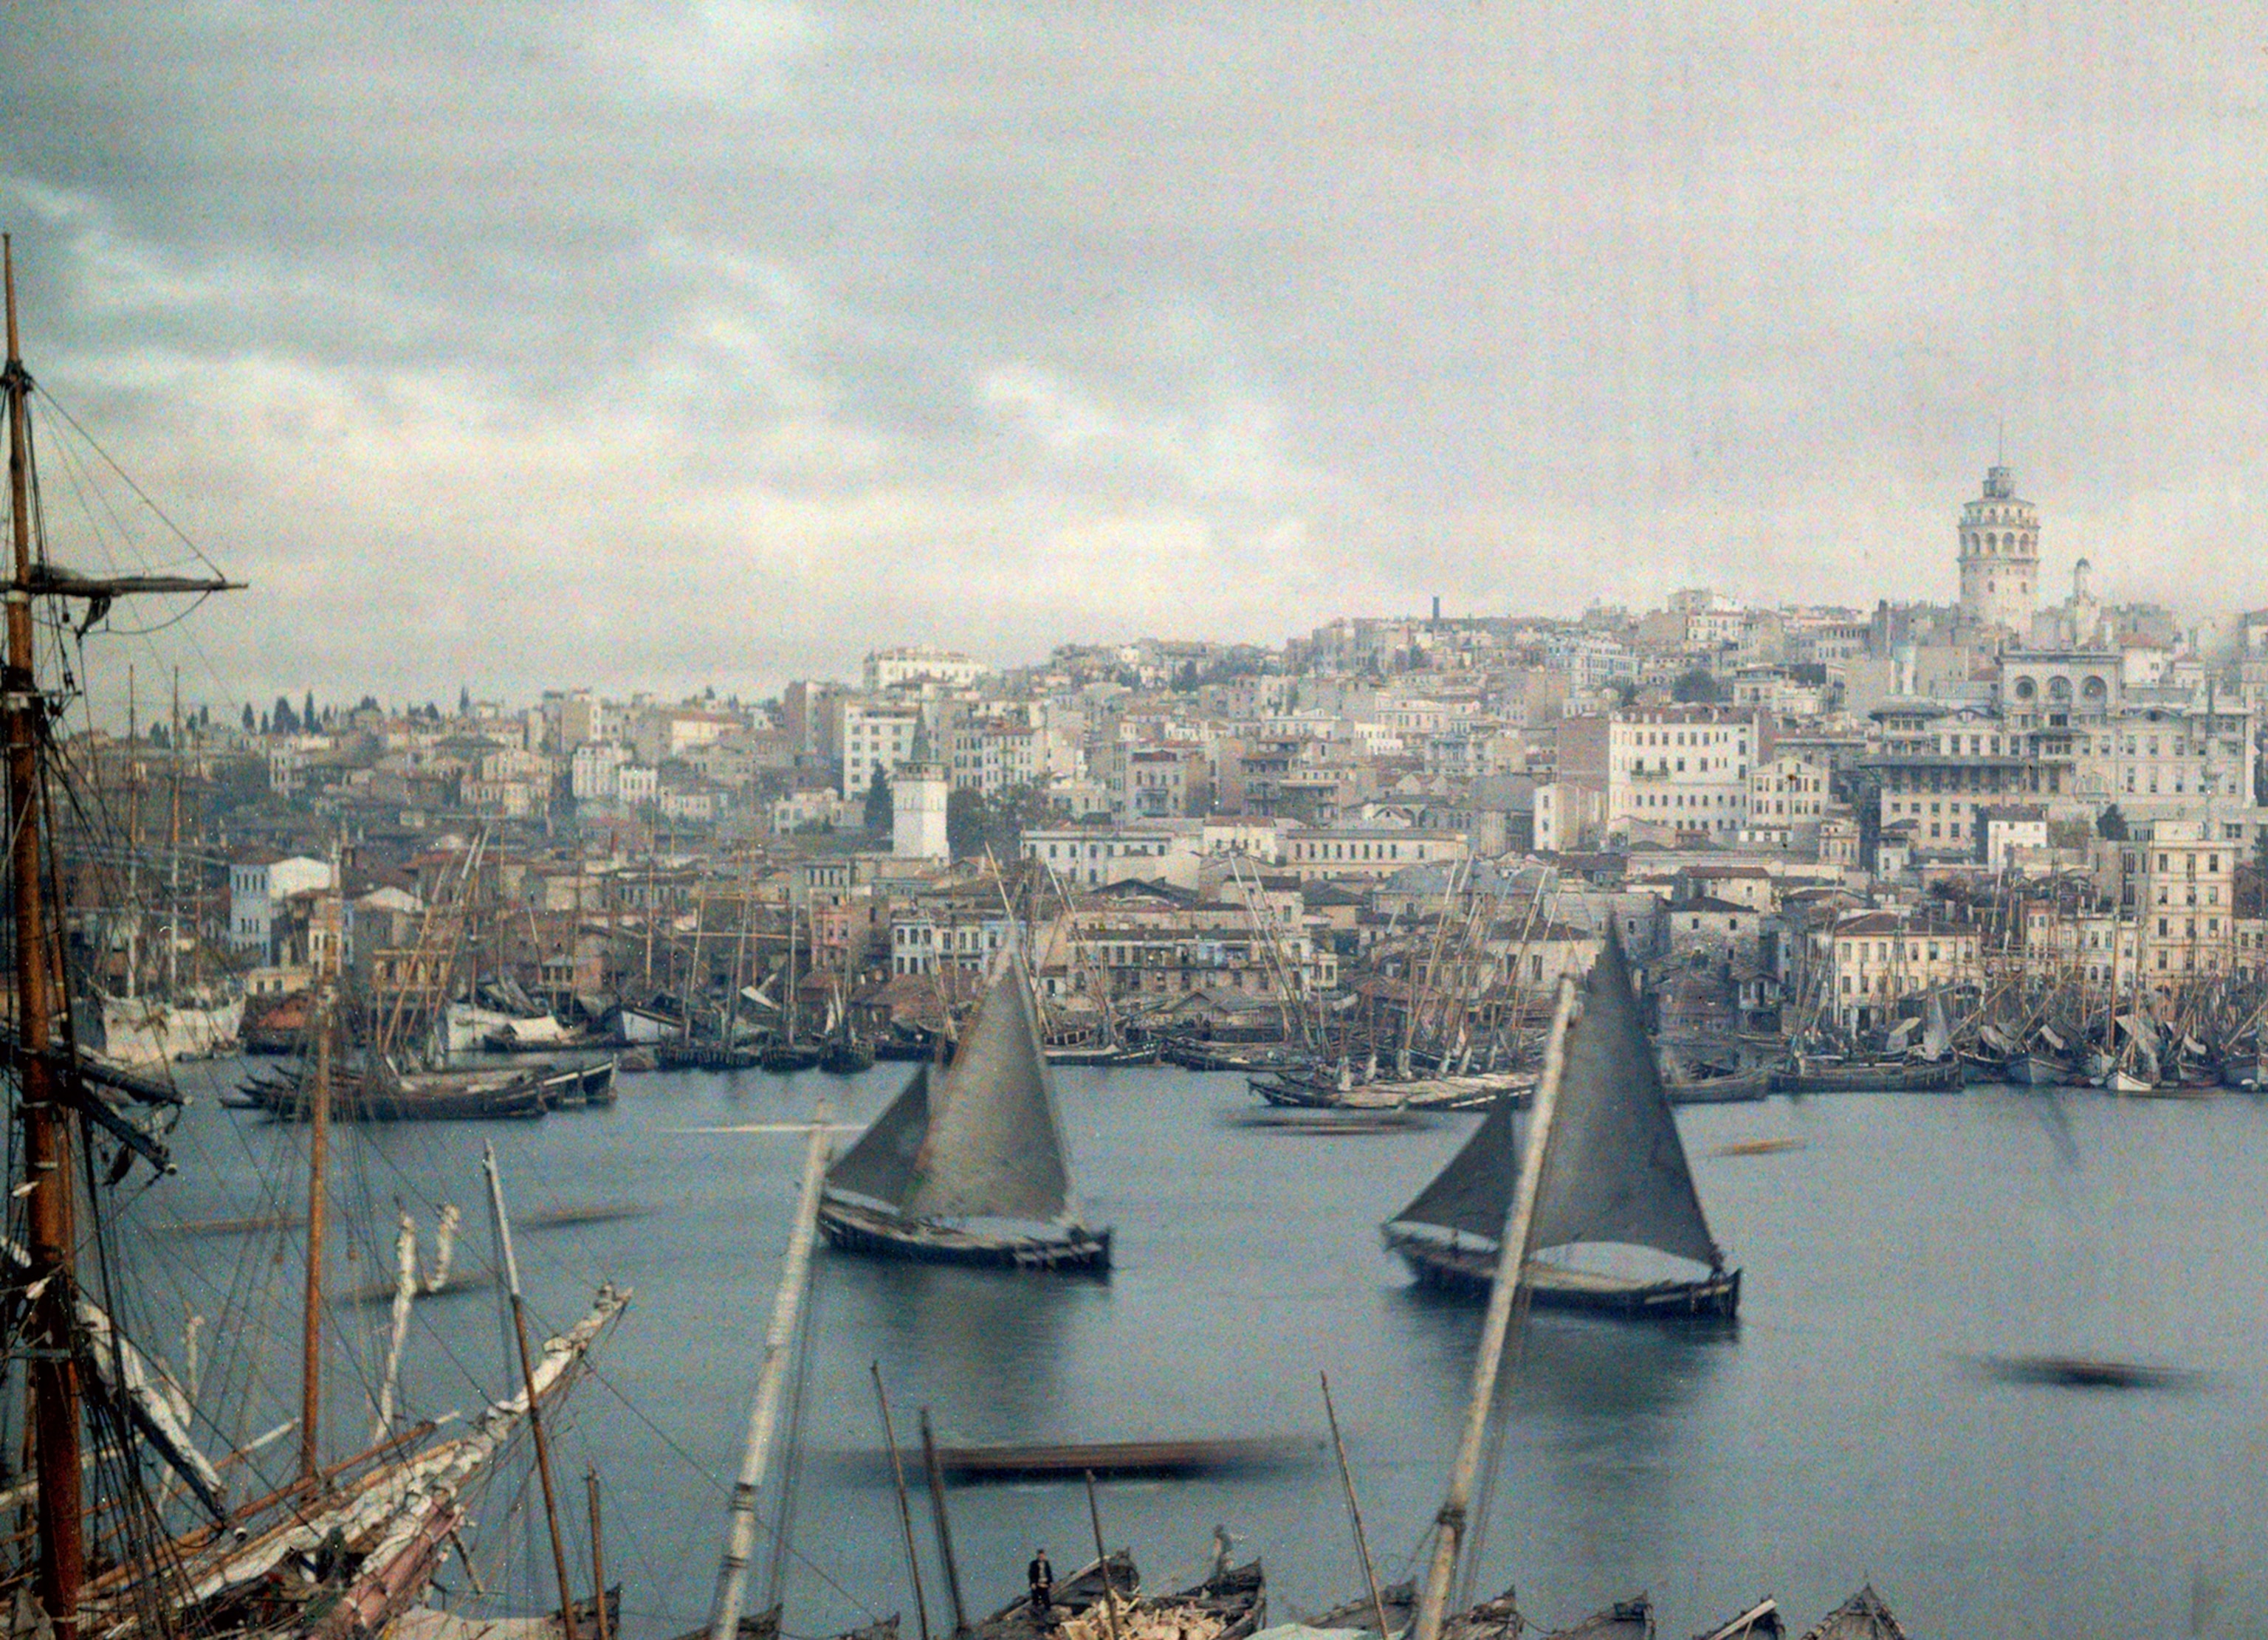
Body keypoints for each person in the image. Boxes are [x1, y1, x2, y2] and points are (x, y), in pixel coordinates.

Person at [1027, 1548, 1055, 1617]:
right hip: (1037, 1583)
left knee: (1046, 1597)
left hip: (1045, 1583)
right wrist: (1033, 1583)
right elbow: (1031, 1574)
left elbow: (1049, 1573)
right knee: (1035, 1596)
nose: (1041, 1557)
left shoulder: (1046, 1563)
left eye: (1042, 1556)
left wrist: (1051, 1582)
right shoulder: (1034, 1564)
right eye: (1040, 1556)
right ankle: (1035, 1608)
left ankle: (1048, 1609)